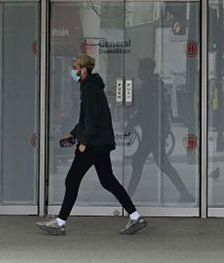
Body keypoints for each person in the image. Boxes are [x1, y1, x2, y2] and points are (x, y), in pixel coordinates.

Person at [36, 54, 146, 236]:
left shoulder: (89, 89)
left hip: (93, 144)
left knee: (72, 180)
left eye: (75, 67)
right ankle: (135, 217)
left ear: (83, 70)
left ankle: (60, 223)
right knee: (107, 180)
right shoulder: (91, 87)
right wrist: (73, 133)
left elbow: (92, 120)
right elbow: (87, 118)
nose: (72, 70)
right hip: (100, 143)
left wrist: (83, 142)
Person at [126, 58, 195, 203]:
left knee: (139, 161)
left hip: (152, 133)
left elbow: (145, 111)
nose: (138, 72)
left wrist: (131, 123)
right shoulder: (155, 85)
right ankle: (184, 193)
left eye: (140, 69)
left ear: (146, 71)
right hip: (155, 132)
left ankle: (127, 196)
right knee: (162, 164)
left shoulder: (150, 87)